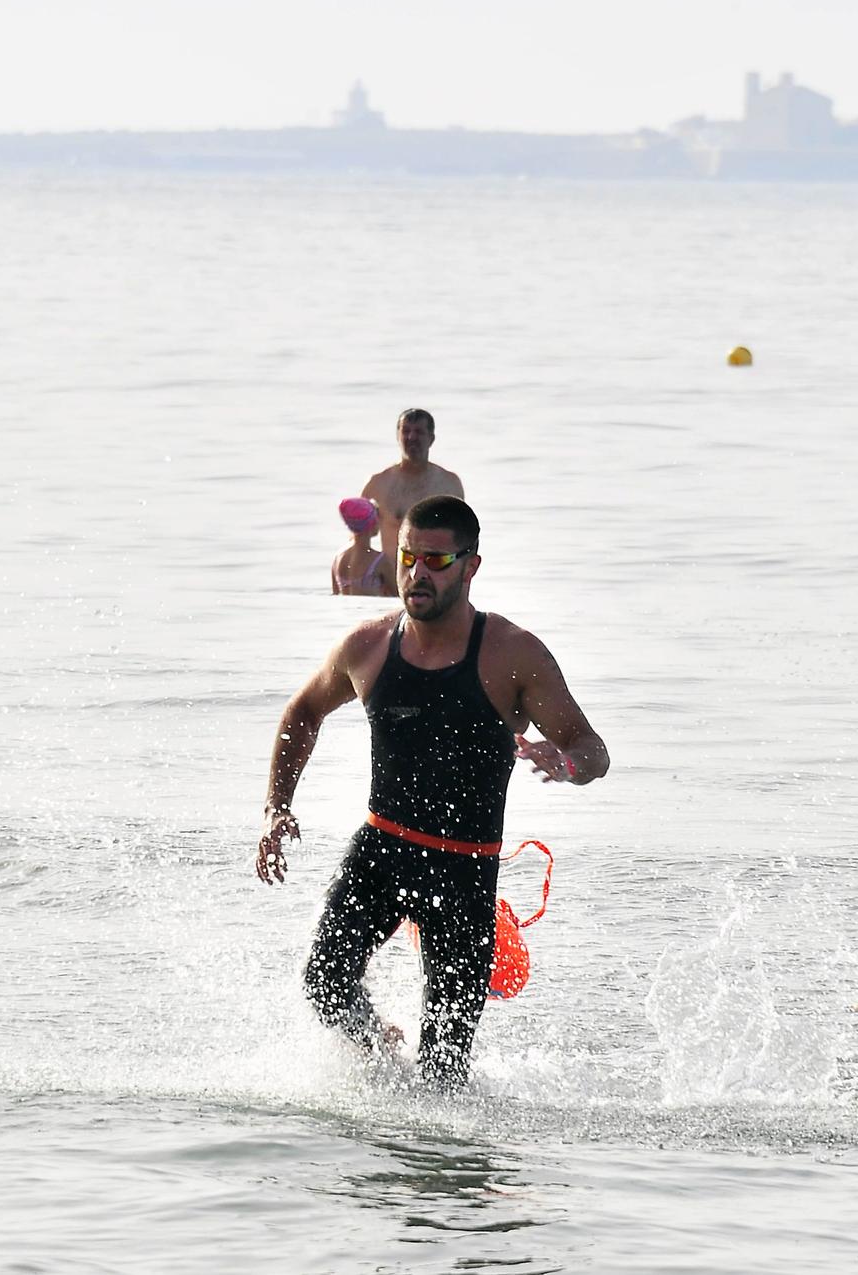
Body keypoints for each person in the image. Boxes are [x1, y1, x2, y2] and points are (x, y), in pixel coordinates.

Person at [257, 495, 610, 1088]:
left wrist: (567, 763)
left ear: (470, 566)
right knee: (325, 981)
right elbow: (303, 712)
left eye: (437, 560)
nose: (417, 573)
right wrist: (276, 808)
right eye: (408, 557)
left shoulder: (511, 654)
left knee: (445, 1071)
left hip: (465, 873)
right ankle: (379, 1058)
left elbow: (592, 750)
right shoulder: (367, 647)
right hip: (382, 851)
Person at [362, 409, 463, 575]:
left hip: (435, 579)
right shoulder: (378, 484)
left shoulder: (449, 484)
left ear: (431, 438)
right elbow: (359, 540)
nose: (411, 437)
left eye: (419, 432)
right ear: (397, 436)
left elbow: (460, 538)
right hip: (392, 582)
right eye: (406, 431)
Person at [331, 497, 392, 597]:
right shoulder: (380, 561)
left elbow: (335, 595)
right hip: (372, 611)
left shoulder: (338, 558)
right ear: (373, 522)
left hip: (345, 612)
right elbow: (398, 598)